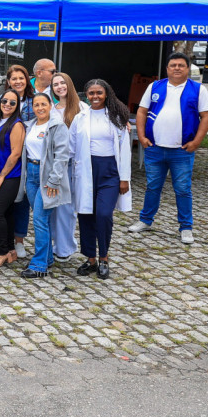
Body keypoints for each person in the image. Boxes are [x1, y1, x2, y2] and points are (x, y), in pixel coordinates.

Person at [129, 52, 208, 245]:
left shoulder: (198, 89)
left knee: (183, 189)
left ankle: (186, 227)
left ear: (187, 68)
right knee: (152, 187)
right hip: (155, 148)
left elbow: (206, 116)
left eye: (181, 65)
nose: (177, 68)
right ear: (167, 68)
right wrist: (141, 137)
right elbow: (142, 111)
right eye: (173, 65)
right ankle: (145, 220)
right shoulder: (155, 86)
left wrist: (196, 142)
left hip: (181, 151)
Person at [70, 79, 133, 280]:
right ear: (86, 95)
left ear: (106, 94)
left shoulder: (116, 117)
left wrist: (124, 178)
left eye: (99, 92)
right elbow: (71, 146)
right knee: (86, 215)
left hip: (110, 172)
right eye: (91, 93)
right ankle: (91, 259)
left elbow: (125, 149)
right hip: (86, 171)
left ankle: (104, 257)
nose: (95, 96)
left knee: (104, 214)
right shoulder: (80, 118)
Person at [18, 93, 72, 278]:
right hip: (31, 175)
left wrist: (54, 180)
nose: (40, 108)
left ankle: (39, 265)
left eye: (43, 104)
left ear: (50, 105)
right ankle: (47, 258)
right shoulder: (30, 125)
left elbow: (62, 155)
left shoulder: (57, 126)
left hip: (47, 177)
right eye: (36, 105)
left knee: (39, 220)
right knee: (43, 220)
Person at [49, 72, 88, 260]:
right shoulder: (51, 109)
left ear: (69, 84)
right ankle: (54, 243)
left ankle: (64, 248)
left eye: (62, 83)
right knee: (52, 207)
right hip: (54, 163)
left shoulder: (82, 108)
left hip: (72, 164)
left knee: (66, 208)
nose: (59, 87)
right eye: (55, 84)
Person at [0, 89, 25, 267]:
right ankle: (10, 250)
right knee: (7, 212)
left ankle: (1, 252)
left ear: (17, 106)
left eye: (12, 102)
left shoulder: (16, 125)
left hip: (9, 176)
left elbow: (15, 153)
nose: (7, 105)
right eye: (4, 101)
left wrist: (2, 176)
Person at [4, 63, 35, 257]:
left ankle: (19, 240)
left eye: (21, 78)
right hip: (9, 153)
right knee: (7, 198)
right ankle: (6, 239)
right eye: (14, 78)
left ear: (27, 80)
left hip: (30, 154)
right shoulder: (4, 99)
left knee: (23, 199)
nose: (18, 81)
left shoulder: (35, 100)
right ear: (8, 81)